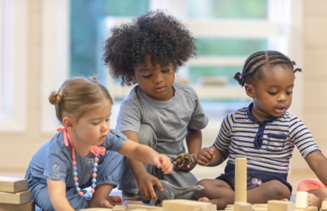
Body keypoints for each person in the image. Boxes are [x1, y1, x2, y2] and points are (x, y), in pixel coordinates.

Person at [194, 50, 327, 210]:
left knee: (278, 189)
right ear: (250, 91)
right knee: (201, 186)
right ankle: (244, 202)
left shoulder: (292, 124)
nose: (283, 98)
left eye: (289, 91)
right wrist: (209, 156)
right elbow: (221, 152)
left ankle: (223, 203)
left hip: (268, 188)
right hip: (232, 185)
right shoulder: (233, 120)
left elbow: (318, 160)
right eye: (273, 92)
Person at [102, 10, 209, 201]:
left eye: (165, 70)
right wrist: (142, 175)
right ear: (133, 76)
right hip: (139, 168)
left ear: (175, 65)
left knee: (201, 192)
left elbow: (194, 130)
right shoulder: (133, 104)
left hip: (173, 166)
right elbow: (130, 146)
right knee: (143, 132)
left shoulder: (189, 96)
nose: (158, 80)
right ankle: (135, 191)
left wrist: (192, 157)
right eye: (147, 75)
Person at [25, 77, 173, 211]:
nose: (104, 127)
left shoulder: (104, 135)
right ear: (69, 124)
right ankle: (87, 203)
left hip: (79, 179)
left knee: (119, 150)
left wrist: (155, 157)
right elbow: (56, 194)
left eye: (107, 119)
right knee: (57, 205)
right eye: (96, 122)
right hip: (44, 183)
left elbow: (134, 149)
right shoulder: (58, 150)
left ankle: (98, 198)